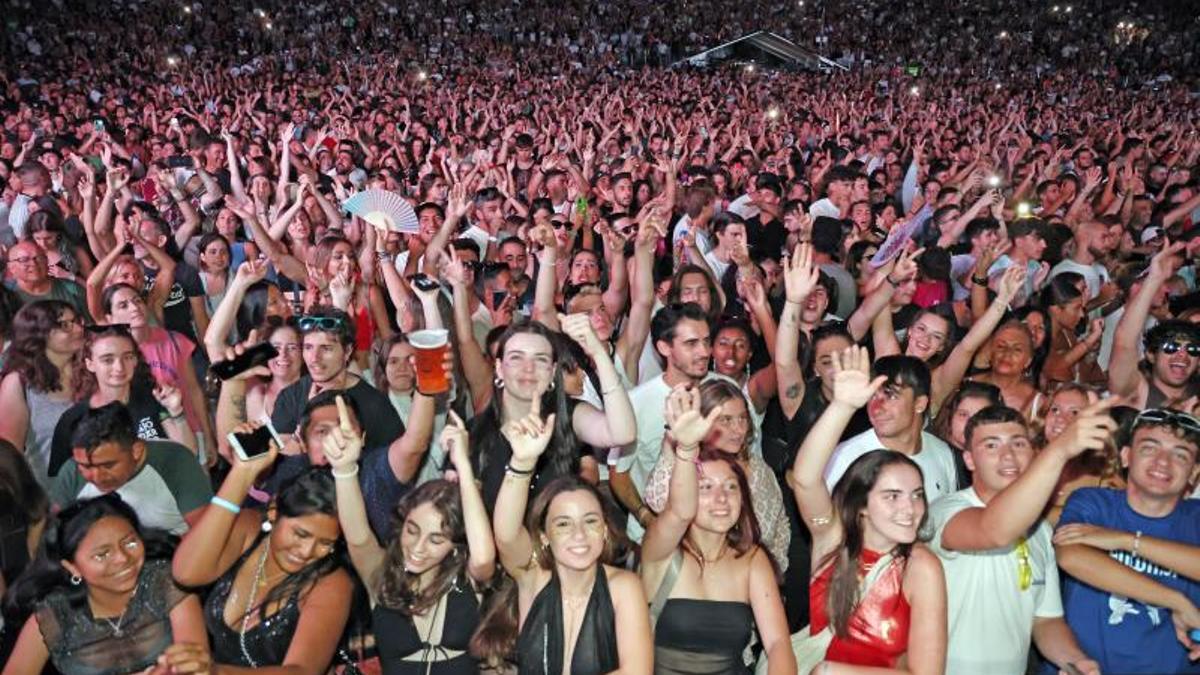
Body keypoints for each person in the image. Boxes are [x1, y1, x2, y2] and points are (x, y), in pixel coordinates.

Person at [790, 345, 946, 673]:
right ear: (861, 505)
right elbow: (805, 479)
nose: (910, 508)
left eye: (917, 495)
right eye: (892, 496)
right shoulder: (832, 541)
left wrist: (834, 672)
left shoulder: (921, 566)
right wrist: (843, 406)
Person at [928, 403, 1110, 674]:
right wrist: (1059, 450)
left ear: (1032, 452)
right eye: (991, 445)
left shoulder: (1041, 530)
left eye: (1018, 443)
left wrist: (1076, 661)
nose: (1008, 456)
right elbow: (993, 531)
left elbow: (1046, 621)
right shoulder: (945, 511)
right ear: (969, 460)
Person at [324, 397, 495, 674]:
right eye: (412, 530)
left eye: (436, 539)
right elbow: (358, 538)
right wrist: (344, 470)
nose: (418, 546)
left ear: (455, 545)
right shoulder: (383, 576)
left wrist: (463, 465)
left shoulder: (469, 579)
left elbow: (484, 557)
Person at [484, 394, 652, 674]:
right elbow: (506, 534)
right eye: (563, 524)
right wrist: (522, 463)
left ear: (605, 530)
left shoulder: (623, 587)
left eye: (590, 521)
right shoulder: (533, 578)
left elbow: (636, 672)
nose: (579, 534)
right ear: (545, 535)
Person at [640, 385, 795, 674]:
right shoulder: (660, 551)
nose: (721, 498)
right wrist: (687, 449)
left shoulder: (752, 559)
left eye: (731, 487)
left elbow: (778, 644)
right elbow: (679, 512)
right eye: (706, 488)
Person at [172, 432, 354, 671]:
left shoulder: (331, 582)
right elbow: (187, 573)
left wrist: (216, 672)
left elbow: (302, 671)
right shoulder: (249, 530)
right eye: (300, 534)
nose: (307, 551)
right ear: (273, 512)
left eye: (326, 543)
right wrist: (242, 474)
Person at [1053, 408, 1200, 674]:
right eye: (1149, 448)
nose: (1163, 462)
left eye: (1180, 455)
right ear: (1125, 456)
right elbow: (1071, 556)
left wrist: (1125, 540)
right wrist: (1176, 601)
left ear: (1194, 472)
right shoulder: (1093, 502)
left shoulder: (1196, 517)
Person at [2, 494, 209, 675]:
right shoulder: (55, 614)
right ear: (72, 567)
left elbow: (196, 664)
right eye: (102, 554)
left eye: (130, 542)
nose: (123, 558)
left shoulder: (164, 581)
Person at [467, 318, 635, 510]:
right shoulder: (473, 433)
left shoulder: (568, 414)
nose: (528, 368)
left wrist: (598, 354)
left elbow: (622, 433)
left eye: (540, 359)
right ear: (499, 368)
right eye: (516, 358)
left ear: (553, 371)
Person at [642, 379, 791, 574]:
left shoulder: (758, 468)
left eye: (742, 418)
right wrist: (673, 446)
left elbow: (781, 524)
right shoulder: (687, 467)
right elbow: (658, 502)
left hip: (757, 577)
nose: (739, 429)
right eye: (726, 420)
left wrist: (772, 570)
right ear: (701, 422)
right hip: (699, 578)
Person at [49, 324, 196, 475]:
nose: (119, 367)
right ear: (90, 364)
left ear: (135, 360)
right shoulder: (74, 420)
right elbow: (61, 480)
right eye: (108, 360)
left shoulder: (152, 398)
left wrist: (176, 411)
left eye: (127, 357)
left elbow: (188, 453)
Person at [49, 402, 212, 535]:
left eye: (108, 465)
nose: (96, 476)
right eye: (85, 466)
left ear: (136, 451)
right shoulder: (71, 472)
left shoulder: (176, 461)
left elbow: (207, 534)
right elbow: (54, 533)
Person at [823, 355, 959, 503]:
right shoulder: (845, 458)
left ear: (919, 403)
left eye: (891, 395)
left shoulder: (942, 453)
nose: (877, 407)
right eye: (872, 396)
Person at [268, 306, 404, 450]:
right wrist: (308, 417)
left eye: (326, 348)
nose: (314, 358)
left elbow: (398, 459)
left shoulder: (375, 405)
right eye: (308, 347)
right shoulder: (290, 397)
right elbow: (278, 457)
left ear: (347, 351)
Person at [0, 300, 85, 485]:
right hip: (50, 494)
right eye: (65, 325)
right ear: (39, 333)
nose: (78, 329)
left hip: (104, 490)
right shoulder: (18, 384)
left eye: (77, 321)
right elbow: (8, 457)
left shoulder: (92, 371)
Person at [1108, 241, 1200, 409]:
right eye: (1171, 347)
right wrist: (1154, 279)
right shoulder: (1136, 393)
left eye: (1192, 349)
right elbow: (1124, 343)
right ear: (1151, 355)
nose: (1182, 355)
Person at [931, 381, 1004, 490]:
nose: (970, 422)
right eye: (963, 415)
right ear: (950, 416)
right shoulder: (932, 452)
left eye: (980, 416)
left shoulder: (997, 461)